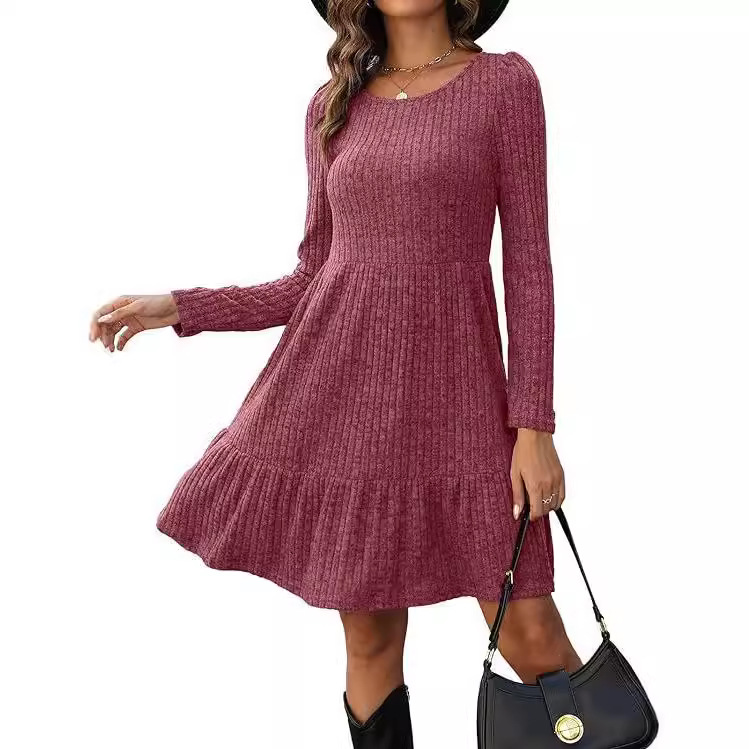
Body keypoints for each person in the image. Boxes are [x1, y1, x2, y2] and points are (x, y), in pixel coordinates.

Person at [88, 1, 582, 746]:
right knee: (370, 643)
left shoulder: (503, 85)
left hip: (466, 412)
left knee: (531, 633)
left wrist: (533, 424)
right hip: (350, 413)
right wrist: (183, 306)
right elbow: (314, 276)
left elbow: (529, 270)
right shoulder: (333, 104)